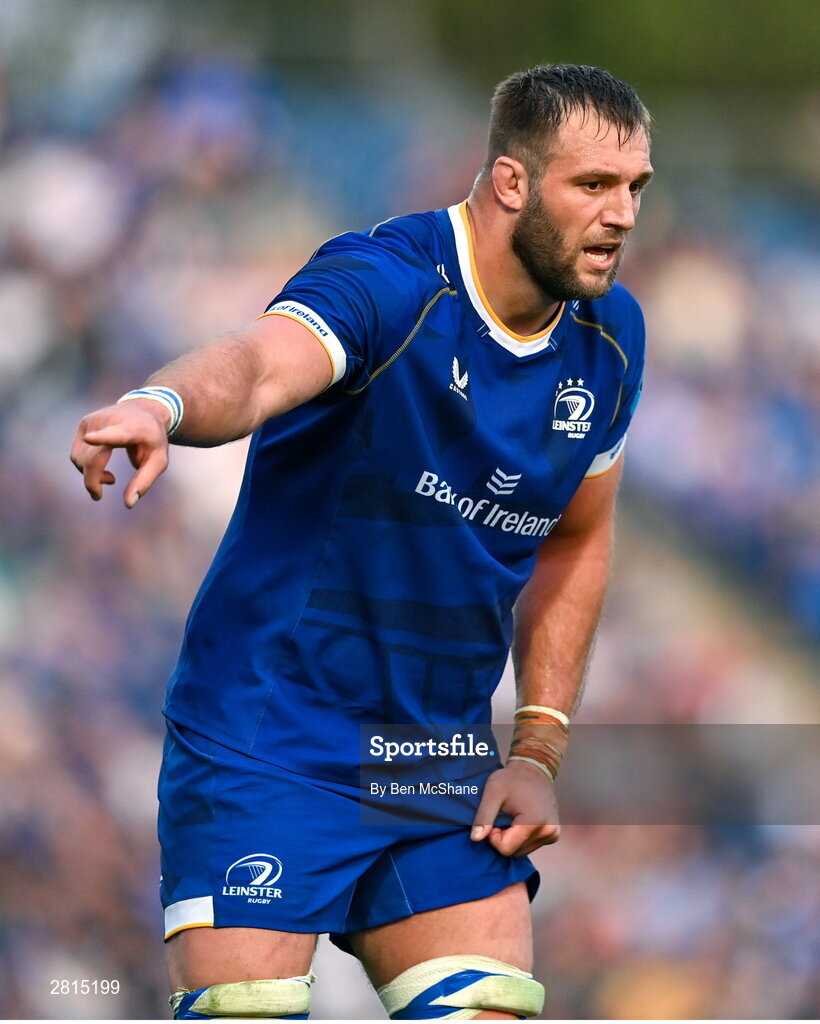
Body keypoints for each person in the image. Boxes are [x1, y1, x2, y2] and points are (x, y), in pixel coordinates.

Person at [70, 63, 653, 1021]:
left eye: (636, 187)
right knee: (249, 1008)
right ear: (510, 181)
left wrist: (537, 750)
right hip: (271, 738)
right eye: (593, 185)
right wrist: (159, 403)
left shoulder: (612, 340)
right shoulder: (387, 281)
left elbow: (576, 540)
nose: (623, 214)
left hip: (433, 759)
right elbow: (259, 367)